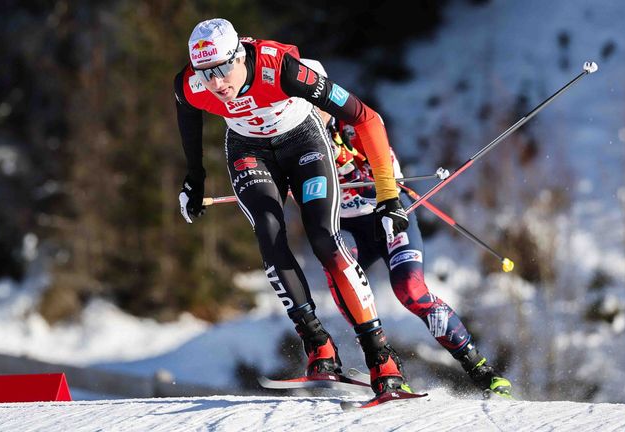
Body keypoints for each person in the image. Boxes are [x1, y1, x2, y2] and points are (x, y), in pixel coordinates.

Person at [174, 18, 413, 397]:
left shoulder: (280, 69)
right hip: (248, 149)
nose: (216, 84)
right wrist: (194, 177)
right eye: (205, 74)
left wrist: (388, 195)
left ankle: (380, 356)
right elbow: (187, 116)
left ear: (239, 56)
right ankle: (318, 345)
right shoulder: (191, 84)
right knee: (269, 235)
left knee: (324, 239)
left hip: (302, 142)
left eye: (222, 69)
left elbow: (366, 117)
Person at [300, 59, 513, 399]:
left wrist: (343, 159)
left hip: (389, 217)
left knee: (411, 291)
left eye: (311, 103)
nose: (307, 112)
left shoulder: (356, 122)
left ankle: (481, 369)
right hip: (348, 226)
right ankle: (385, 366)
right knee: (341, 280)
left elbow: (387, 168)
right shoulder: (294, 138)